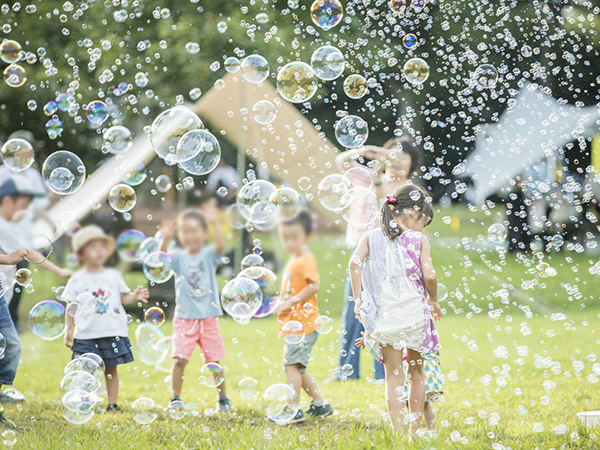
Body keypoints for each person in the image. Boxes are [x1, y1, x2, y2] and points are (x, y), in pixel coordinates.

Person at [352, 184, 442, 435]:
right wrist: (433, 299)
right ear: (414, 212)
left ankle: (398, 433)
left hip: (385, 314)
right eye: (424, 220)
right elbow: (430, 275)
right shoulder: (419, 239)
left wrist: (359, 300)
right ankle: (415, 430)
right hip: (414, 313)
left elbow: (354, 263)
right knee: (416, 373)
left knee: (393, 376)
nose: (423, 227)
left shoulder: (370, 236)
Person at [333, 136, 422, 382]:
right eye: (392, 155)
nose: (396, 161)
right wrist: (369, 151)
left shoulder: (411, 192)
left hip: (392, 260)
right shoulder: (367, 179)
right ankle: (345, 371)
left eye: (402, 157)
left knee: (385, 316)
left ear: (411, 164)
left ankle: (383, 373)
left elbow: (416, 229)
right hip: (362, 254)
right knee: (353, 312)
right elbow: (341, 161)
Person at [0, 176, 70, 406]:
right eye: (24, 202)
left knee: (11, 346)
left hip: (1, 293)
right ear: (9, 200)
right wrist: (8, 259)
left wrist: (59, 271)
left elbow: (28, 251)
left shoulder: (15, 226)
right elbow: (16, 255)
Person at [63, 225, 149, 412]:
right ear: (81, 254)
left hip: (111, 330)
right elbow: (71, 306)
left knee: (111, 369)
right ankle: (85, 401)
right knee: (85, 370)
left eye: (102, 246)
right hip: (85, 333)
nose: (99, 251)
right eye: (93, 247)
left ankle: (113, 403)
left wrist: (134, 296)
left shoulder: (113, 275)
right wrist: (68, 329)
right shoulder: (77, 279)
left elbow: (122, 297)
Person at [158, 200, 231, 412]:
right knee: (179, 359)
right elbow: (162, 262)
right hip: (184, 318)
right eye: (185, 232)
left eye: (195, 231)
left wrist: (215, 223)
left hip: (208, 318)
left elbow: (220, 246)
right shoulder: (179, 257)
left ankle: (223, 398)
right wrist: (165, 239)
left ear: (204, 234)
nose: (190, 236)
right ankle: (176, 398)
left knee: (214, 361)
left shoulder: (208, 255)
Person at [273, 210, 333, 423]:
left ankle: (292, 409)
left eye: (294, 237)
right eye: (285, 237)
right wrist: (280, 301)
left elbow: (314, 285)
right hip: (294, 325)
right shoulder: (294, 260)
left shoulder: (305, 259)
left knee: (291, 366)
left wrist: (289, 302)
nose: (289, 241)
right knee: (297, 367)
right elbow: (291, 291)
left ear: (308, 237)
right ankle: (320, 404)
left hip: (303, 326)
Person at [0, 130, 52, 332]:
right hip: (2, 234)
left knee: (20, 274)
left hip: (23, 233)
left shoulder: (32, 175)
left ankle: (13, 318)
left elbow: (40, 205)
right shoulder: (2, 173)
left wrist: (50, 221)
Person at [401, 350, 443, 433]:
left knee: (413, 402)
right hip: (429, 370)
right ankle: (430, 429)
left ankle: (414, 427)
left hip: (420, 369)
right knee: (426, 404)